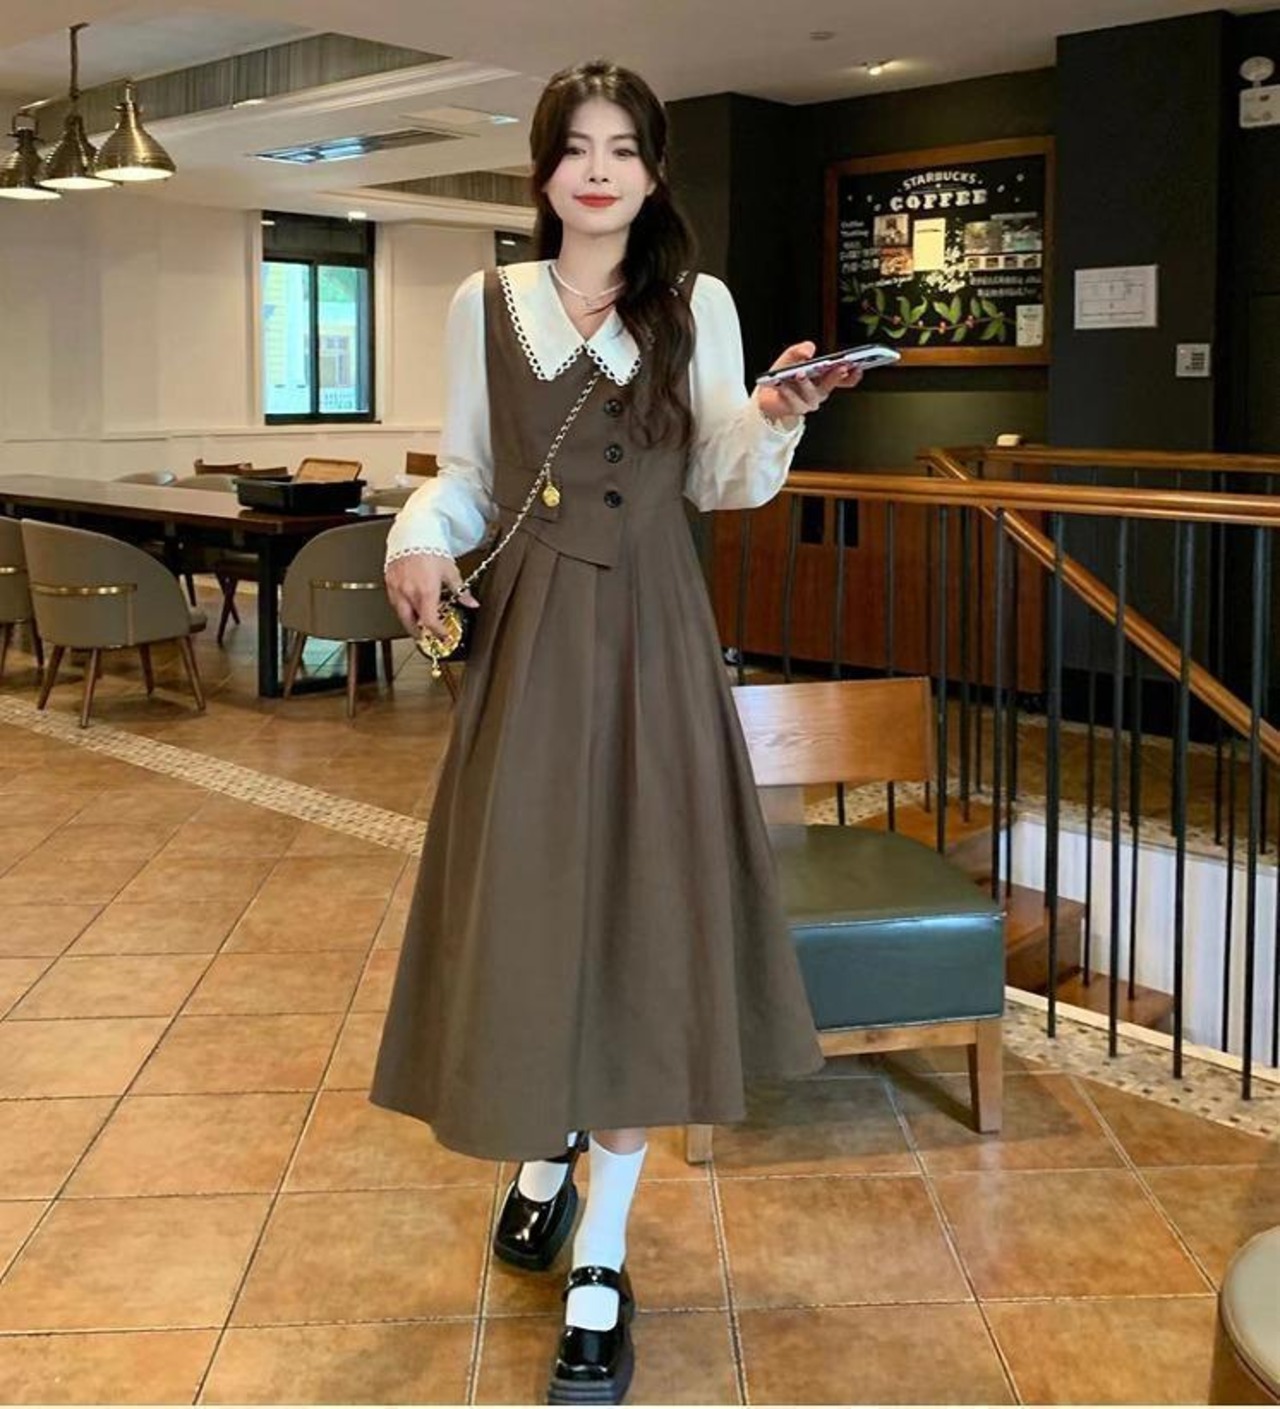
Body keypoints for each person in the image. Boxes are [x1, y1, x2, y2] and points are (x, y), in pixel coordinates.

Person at [372, 58, 863, 1405]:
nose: (598, 171)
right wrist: (417, 537)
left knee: (642, 920)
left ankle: (601, 1248)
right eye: (576, 147)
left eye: (623, 149)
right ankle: (544, 1152)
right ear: (544, 169)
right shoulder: (484, 303)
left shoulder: (697, 303)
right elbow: (467, 476)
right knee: (535, 915)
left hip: (653, 637)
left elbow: (717, 476)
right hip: (530, 649)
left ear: (652, 172)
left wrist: (773, 415)